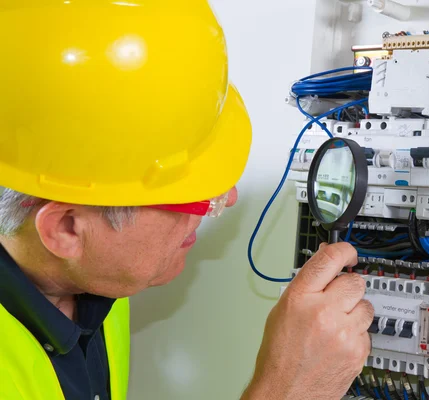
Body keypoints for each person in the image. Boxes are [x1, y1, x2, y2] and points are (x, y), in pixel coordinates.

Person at [0, 1, 374, 399]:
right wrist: (287, 389)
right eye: (190, 197)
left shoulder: (95, 273)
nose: (227, 200)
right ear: (65, 229)